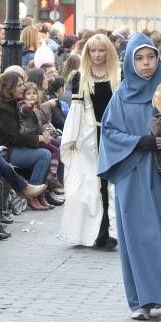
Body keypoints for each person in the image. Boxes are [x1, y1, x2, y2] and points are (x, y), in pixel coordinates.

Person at [98, 33, 161, 321]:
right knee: (139, 236)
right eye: (139, 58)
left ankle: (157, 291)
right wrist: (140, 142)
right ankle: (141, 300)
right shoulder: (121, 96)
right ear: (130, 61)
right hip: (132, 174)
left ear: (158, 58)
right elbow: (109, 133)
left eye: (150, 57)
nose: (146, 64)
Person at [61, 33, 122, 248]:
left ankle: (111, 231)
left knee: (111, 186)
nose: (97, 55)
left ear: (108, 51)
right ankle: (95, 233)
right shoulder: (80, 76)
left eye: (101, 50)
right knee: (90, 187)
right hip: (88, 138)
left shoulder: (119, 74)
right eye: (93, 50)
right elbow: (76, 111)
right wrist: (72, 139)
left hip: (114, 136)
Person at [0, 72, 53, 211]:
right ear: (10, 87)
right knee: (44, 155)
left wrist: (42, 134)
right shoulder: (1, 108)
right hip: (5, 151)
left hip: (13, 147)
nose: (23, 88)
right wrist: (38, 138)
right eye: (20, 85)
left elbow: (20, 132)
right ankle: (31, 196)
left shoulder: (11, 104)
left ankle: (40, 195)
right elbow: (15, 137)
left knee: (48, 150)